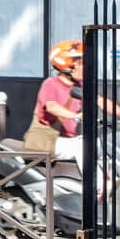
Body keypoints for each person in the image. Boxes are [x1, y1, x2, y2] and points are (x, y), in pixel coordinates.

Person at [24, 41, 87, 172]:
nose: (85, 67)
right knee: (83, 147)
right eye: (81, 64)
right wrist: (76, 116)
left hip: (67, 141)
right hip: (47, 142)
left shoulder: (79, 88)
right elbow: (51, 106)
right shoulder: (51, 84)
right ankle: (98, 189)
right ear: (66, 65)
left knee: (102, 145)